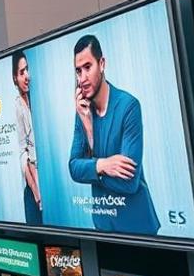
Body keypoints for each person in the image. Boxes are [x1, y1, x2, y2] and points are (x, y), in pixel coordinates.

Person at [68, 34, 160, 235]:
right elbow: (73, 168)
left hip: (137, 228)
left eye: (87, 67)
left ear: (102, 64)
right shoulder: (82, 112)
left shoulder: (128, 106)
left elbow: (128, 182)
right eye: (78, 71)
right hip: (103, 226)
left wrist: (91, 169)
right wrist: (103, 165)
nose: (82, 78)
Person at [12, 51, 43, 224]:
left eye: (27, 70)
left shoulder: (37, 99)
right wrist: (35, 191)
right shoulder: (17, 106)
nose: (26, 77)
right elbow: (22, 154)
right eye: (21, 72)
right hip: (32, 190)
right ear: (15, 78)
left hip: (43, 181)